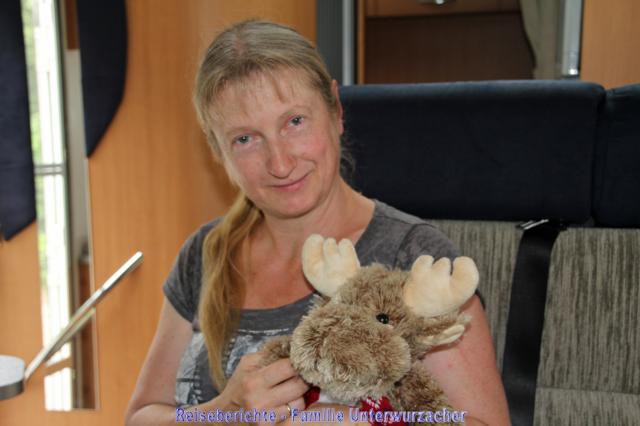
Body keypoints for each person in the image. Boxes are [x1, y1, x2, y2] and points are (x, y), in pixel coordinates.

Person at [125, 19, 510, 426]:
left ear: (336, 111)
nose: (280, 163)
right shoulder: (205, 253)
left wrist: (352, 422)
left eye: (295, 122)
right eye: (245, 139)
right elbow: (141, 417)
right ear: (217, 152)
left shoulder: (414, 257)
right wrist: (223, 413)